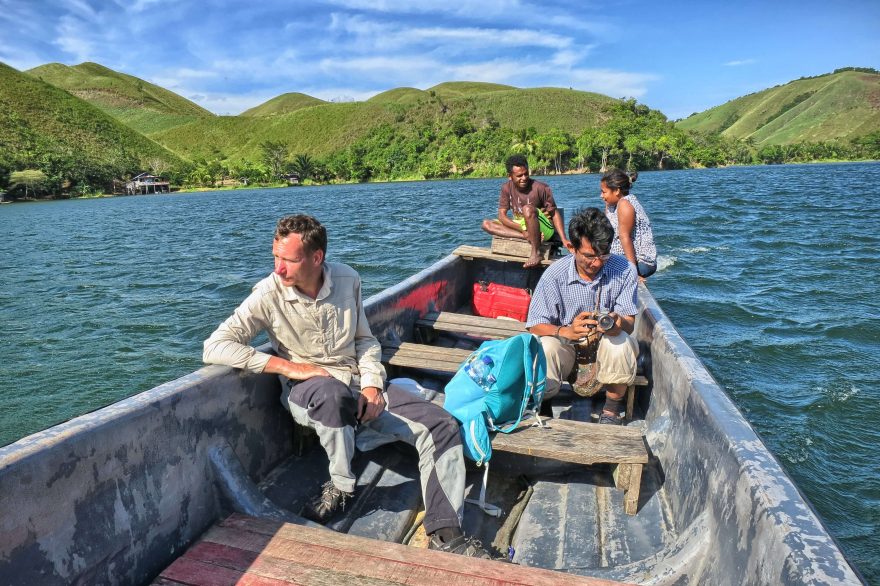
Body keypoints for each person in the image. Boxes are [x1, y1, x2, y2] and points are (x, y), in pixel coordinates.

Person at [203, 214, 491, 558]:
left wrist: (371, 385)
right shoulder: (268, 294)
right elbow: (215, 345)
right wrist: (291, 367)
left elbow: (365, 341)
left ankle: (445, 534)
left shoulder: (347, 279)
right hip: (308, 392)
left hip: (354, 381)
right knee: (332, 394)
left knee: (440, 424)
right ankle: (341, 484)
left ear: (316, 258)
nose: (278, 268)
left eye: (288, 260)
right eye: (275, 257)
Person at [525, 207, 639, 425]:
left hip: (603, 349)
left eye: (603, 256)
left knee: (622, 342)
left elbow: (630, 324)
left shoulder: (625, 270)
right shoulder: (554, 275)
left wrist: (617, 324)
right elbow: (534, 325)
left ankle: (611, 411)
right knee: (546, 347)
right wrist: (565, 331)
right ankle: (544, 403)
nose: (596, 263)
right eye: (589, 256)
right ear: (571, 248)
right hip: (567, 347)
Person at [481, 154, 570, 268]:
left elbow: (554, 213)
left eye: (526, 174)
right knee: (486, 224)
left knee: (527, 209)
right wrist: (523, 231)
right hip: (523, 227)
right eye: (519, 175)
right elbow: (502, 216)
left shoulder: (541, 187)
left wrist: (564, 238)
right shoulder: (506, 188)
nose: (524, 178)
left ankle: (535, 253)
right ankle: (527, 236)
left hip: (544, 228)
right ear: (510, 176)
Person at [600, 169, 657, 280]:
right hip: (624, 256)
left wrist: (633, 272)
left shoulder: (624, 204)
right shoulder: (614, 203)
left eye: (604, 192)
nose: (601, 196)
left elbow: (625, 237)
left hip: (640, 262)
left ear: (617, 191)